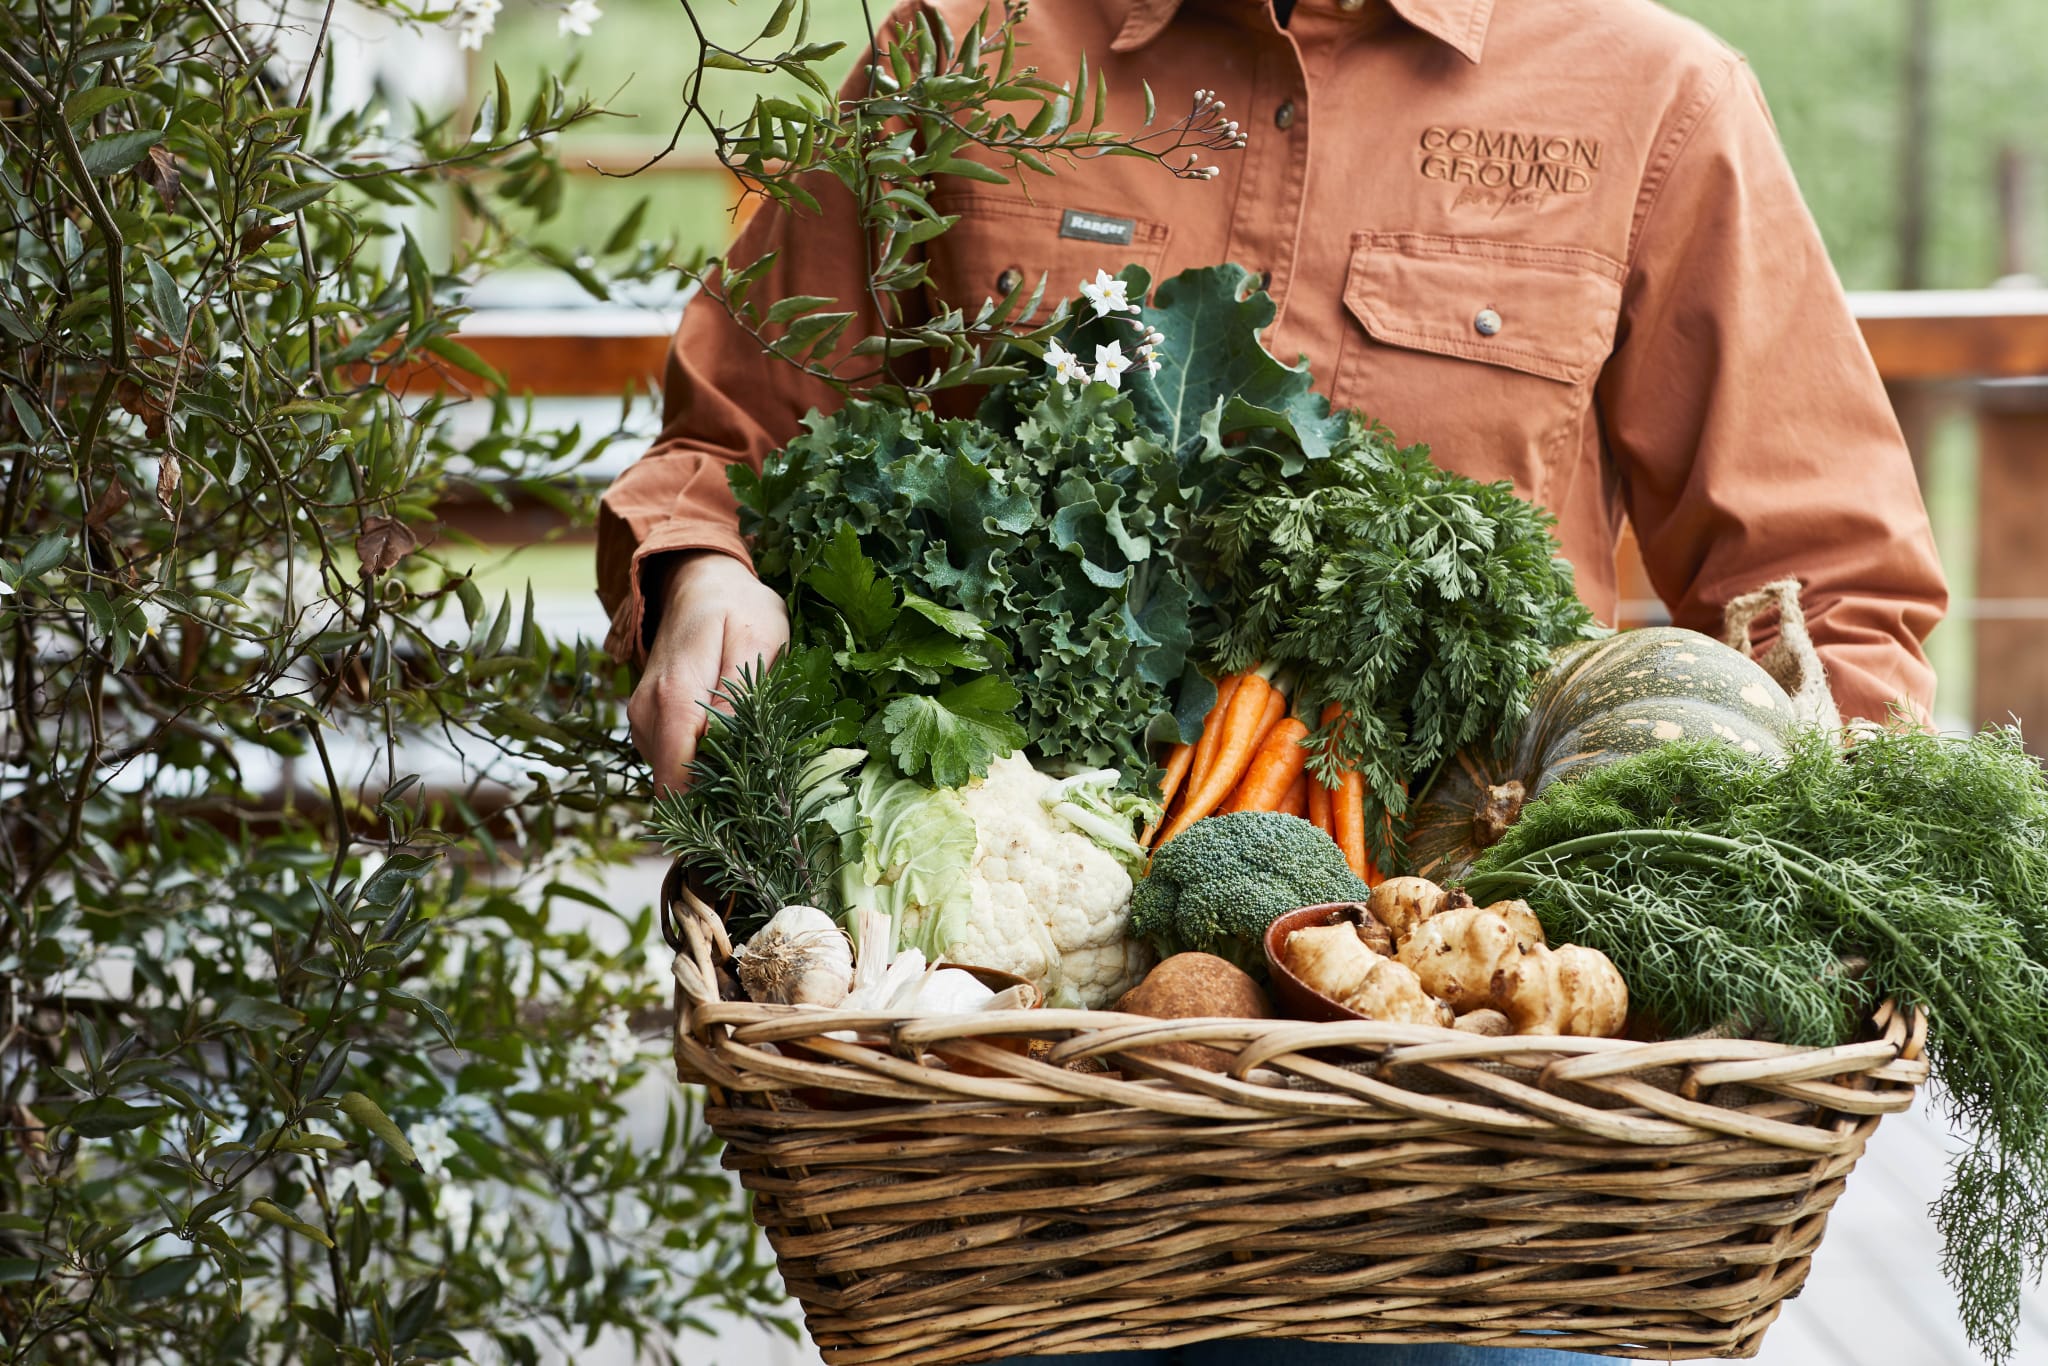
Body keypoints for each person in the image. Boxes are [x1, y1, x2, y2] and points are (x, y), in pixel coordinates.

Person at [599, 0, 1946, 1360]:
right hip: (1016, 1175)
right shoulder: (965, 49)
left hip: (1499, 1166)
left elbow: (1833, 588)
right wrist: (706, 571)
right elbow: (736, 442)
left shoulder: (1657, 95)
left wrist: (1829, 870)